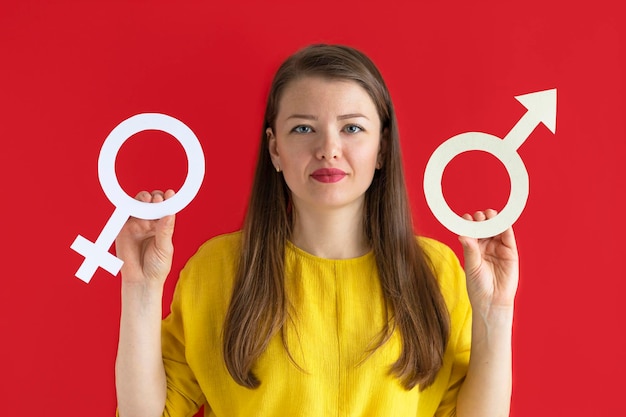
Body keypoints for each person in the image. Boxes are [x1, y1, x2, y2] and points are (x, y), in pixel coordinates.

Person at [114, 44, 519, 417]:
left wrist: (495, 313)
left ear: (381, 147)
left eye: (352, 128)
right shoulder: (215, 269)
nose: (328, 148)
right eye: (303, 128)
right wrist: (141, 288)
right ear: (275, 149)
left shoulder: (437, 271)